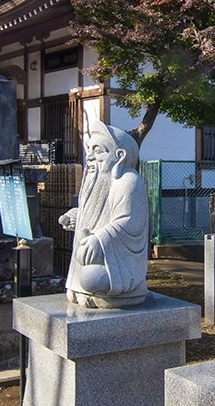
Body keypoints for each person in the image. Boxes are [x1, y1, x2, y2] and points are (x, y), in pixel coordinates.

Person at [59, 122, 149, 308]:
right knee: (85, 276)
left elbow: (130, 222)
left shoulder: (128, 181)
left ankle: (117, 291)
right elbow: (95, 214)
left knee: (92, 278)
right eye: (89, 150)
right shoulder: (94, 180)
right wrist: (77, 216)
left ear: (119, 156)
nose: (90, 156)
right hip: (89, 255)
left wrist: (99, 238)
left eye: (98, 150)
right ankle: (78, 288)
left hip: (118, 263)